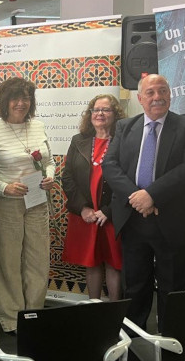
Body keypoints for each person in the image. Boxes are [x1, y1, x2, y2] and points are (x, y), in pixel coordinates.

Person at [102, 74, 185, 332]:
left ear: (170, 94)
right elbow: (110, 166)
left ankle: (171, 341)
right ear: (140, 98)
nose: (157, 97)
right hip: (133, 220)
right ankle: (134, 342)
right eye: (150, 92)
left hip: (171, 221)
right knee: (134, 286)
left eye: (162, 91)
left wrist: (153, 194)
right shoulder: (125, 127)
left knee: (173, 287)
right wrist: (137, 197)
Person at [0, 77, 54, 334]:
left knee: (38, 260)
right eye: (15, 98)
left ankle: (34, 313)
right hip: (6, 205)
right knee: (8, 261)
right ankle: (12, 318)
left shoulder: (39, 125)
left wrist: (50, 176)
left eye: (26, 98)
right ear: (5, 102)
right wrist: (5, 186)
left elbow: (50, 161)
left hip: (37, 201)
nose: (21, 103)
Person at [61, 94, 126, 300]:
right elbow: (68, 177)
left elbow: (128, 179)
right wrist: (83, 208)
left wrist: (107, 211)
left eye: (106, 110)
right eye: (95, 110)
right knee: (92, 262)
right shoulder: (78, 141)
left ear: (115, 114)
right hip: (86, 214)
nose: (99, 114)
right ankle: (94, 307)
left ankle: (116, 313)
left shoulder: (123, 141)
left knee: (114, 264)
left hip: (112, 214)